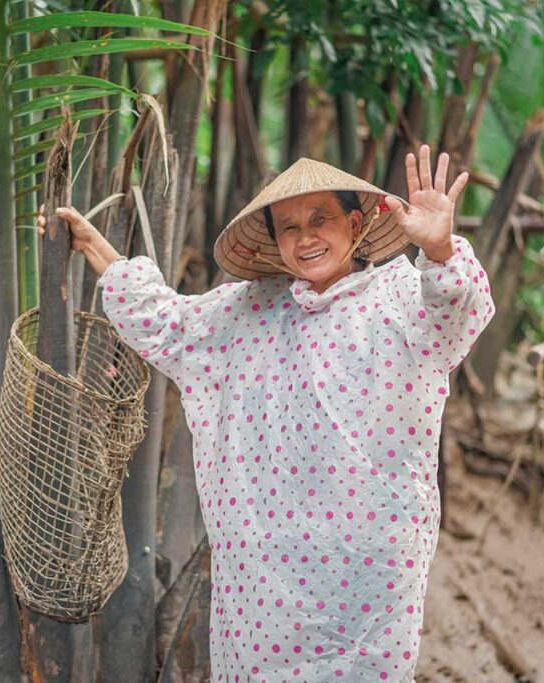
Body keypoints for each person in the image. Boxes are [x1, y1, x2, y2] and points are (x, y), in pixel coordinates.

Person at [38, 145, 494, 682]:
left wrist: (440, 250)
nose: (306, 238)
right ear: (275, 243)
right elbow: (166, 322)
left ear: (355, 222)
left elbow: (454, 311)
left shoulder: (399, 296)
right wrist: (94, 246)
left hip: (367, 577)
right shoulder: (249, 307)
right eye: (289, 227)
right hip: (266, 585)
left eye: (320, 219)